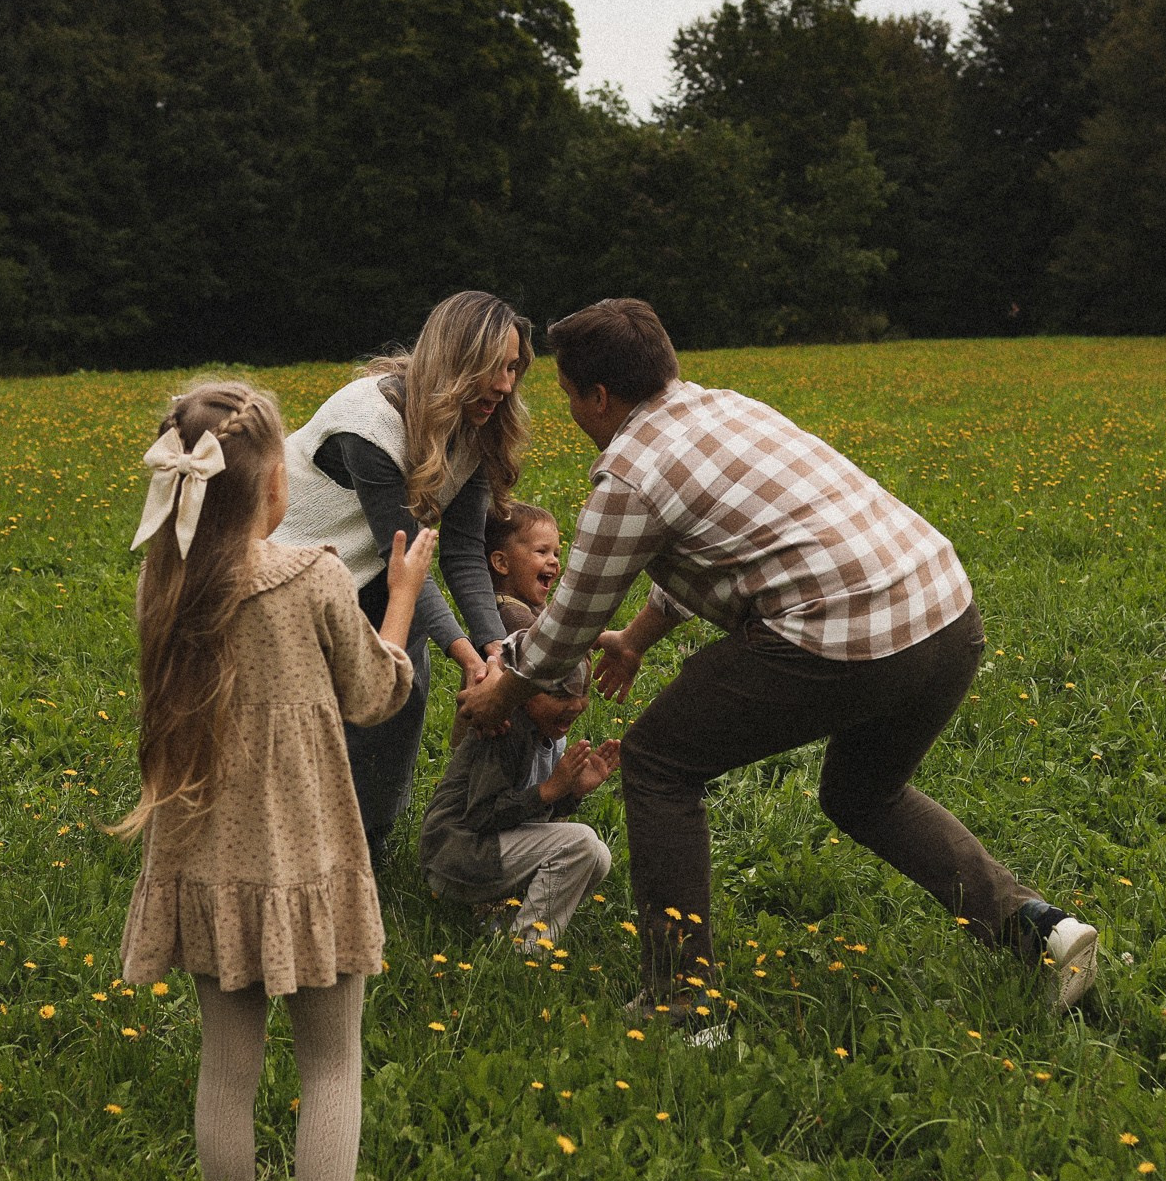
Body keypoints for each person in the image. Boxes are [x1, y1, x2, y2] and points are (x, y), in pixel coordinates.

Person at [457, 299, 1102, 1019]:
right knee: (865, 794)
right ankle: (1041, 930)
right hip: (946, 612)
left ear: (599, 396)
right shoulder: (730, 411)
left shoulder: (630, 473)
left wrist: (502, 693)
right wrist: (637, 640)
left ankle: (683, 1005)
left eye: (571, 396)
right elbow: (731, 544)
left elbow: (570, 620)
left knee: (661, 764)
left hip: (846, 637)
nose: (573, 413)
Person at [111, 379, 437, 1181]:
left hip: (206, 863)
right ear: (268, 490)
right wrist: (405, 600)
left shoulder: (161, 584)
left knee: (227, 1068)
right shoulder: (314, 578)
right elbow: (375, 696)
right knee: (332, 1065)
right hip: (308, 859)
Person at [270, 290, 532, 852]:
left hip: (375, 569)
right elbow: (410, 556)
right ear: (455, 361)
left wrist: (494, 649)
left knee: (400, 695)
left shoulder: (479, 425)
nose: (506, 385)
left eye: (513, 368)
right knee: (311, 711)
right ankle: (292, 841)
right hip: (296, 572)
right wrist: (464, 654)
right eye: (493, 368)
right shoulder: (368, 421)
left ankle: (367, 845)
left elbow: (461, 552)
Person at [419, 610, 617, 958]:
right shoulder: (505, 729)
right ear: (523, 691)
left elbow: (531, 814)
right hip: (455, 855)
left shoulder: (548, 731)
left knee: (598, 857)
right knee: (582, 842)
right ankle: (526, 952)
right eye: (559, 696)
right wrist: (551, 790)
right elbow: (480, 814)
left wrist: (572, 792)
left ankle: (502, 923)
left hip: (488, 851)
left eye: (582, 694)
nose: (575, 706)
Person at [483, 500, 562, 625]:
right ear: (502, 563)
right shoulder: (511, 615)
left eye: (556, 554)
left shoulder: (528, 601)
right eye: (541, 552)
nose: (554, 561)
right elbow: (550, 643)